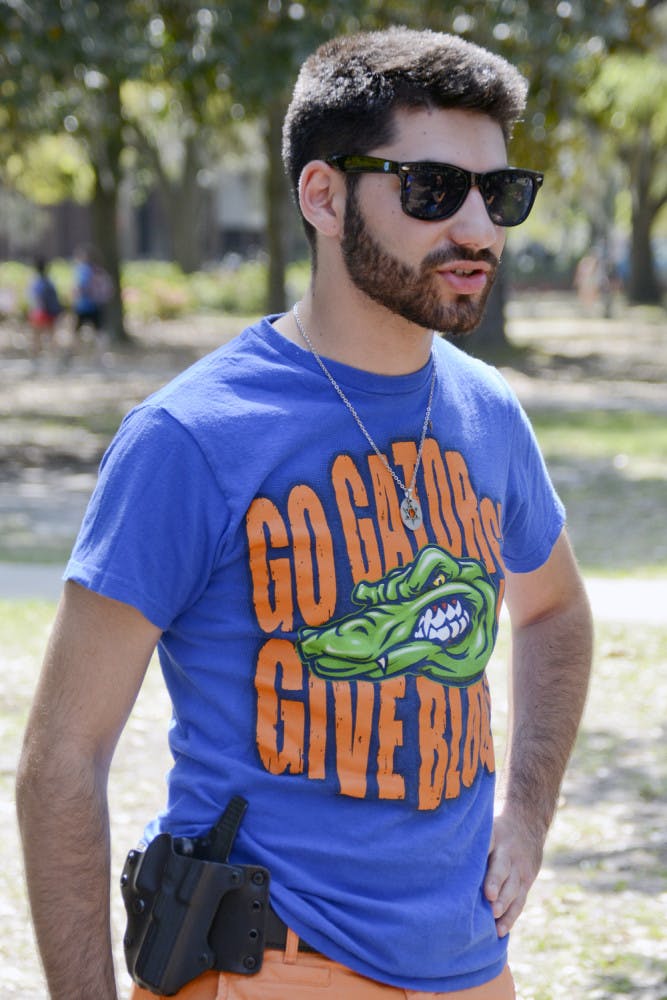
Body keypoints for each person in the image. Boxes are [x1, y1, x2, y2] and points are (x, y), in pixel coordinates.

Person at [16, 26, 593, 1000]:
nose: (478, 229)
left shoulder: (486, 410)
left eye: (499, 194)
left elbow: (554, 613)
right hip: (267, 962)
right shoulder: (190, 438)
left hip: (467, 967)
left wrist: (527, 814)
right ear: (323, 195)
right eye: (430, 189)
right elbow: (59, 762)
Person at [27, 257, 63, 358]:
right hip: (51, 312)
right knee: (51, 335)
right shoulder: (50, 281)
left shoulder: (35, 281)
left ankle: (35, 356)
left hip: (39, 312)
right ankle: (54, 356)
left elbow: (33, 298)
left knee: (36, 336)